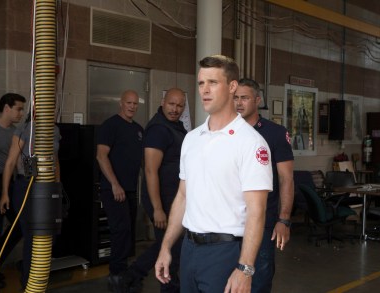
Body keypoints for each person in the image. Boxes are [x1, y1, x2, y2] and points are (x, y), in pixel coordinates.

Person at [155, 55, 273, 293]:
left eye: (213, 82)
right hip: (189, 250)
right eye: (201, 83)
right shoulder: (192, 139)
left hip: (225, 254)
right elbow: (182, 196)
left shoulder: (251, 143)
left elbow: (257, 211)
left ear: (232, 87)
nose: (204, 90)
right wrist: (166, 246)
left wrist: (245, 268)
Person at [234, 78, 295, 293]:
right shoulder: (226, 132)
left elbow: (286, 179)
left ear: (257, 100)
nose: (239, 103)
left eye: (244, 98)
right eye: (235, 98)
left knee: (258, 282)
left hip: (263, 221)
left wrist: (284, 219)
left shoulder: (275, 133)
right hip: (228, 223)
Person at [127, 88, 187, 292]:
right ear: (163, 102)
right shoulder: (158, 130)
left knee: (167, 245)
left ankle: (131, 275)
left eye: (179, 105)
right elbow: (150, 171)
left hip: (174, 199)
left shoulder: (176, 127)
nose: (175, 109)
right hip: (162, 200)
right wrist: (157, 208)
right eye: (171, 104)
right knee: (173, 250)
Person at [0, 113, 61, 289]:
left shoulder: (54, 130)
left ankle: (37, 279)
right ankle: (28, 284)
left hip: (47, 187)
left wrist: (57, 188)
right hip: (26, 185)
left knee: (50, 235)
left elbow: (55, 161)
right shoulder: (25, 129)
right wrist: (5, 193)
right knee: (32, 236)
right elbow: (10, 162)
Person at [96, 90, 144, 293]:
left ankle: (124, 273)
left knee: (129, 232)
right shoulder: (110, 125)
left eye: (135, 103)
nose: (132, 106)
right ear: (121, 103)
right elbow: (101, 156)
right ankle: (116, 275)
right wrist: (115, 184)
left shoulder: (139, 130)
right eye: (128, 103)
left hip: (131, 190)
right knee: (120, 231)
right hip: (113, 190)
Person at [0, 93, 26, 288]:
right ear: (6, 108)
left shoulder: (18, 132)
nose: (21, 113)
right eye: (18, 109)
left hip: (11, 184)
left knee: (19, 225)